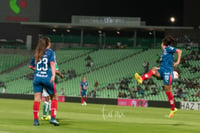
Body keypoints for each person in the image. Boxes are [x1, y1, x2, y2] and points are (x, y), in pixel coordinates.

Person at [134, 35, 182, 118]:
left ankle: (173, 109)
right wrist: (158, 68)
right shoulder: (164, 52)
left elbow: (179, 51)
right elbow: (166, 62)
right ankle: (141, 79)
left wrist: (177, 62)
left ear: (163, 43)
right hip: (162, 70)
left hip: (167, 72)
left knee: (167, 91)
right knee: (153, 71)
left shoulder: (168, 48)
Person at [29, 36, 60, 126]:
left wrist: (38, 71)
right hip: (47, 78)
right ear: (48, 44)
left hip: (37, 78)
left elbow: (31, 66)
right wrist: (53, 75)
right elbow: (52, 63)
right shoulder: (50, 52)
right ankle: (53, 118)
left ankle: (35, 120)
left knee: (37, 99)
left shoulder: (37, 52)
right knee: (54, 97)